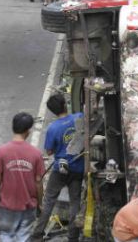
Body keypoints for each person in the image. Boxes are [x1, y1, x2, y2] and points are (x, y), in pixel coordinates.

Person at [31, 94, 85, 242]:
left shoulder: (53, 128)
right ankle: (73, 236)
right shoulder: (79, 117)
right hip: (78, 167)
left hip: (60, 168)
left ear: (53, 111)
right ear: (65, 105)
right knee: (75, 201)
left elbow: (49, 151)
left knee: (48, 201)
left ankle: (37, 235)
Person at [0, 112, 45, 242]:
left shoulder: (1, 151)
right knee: (24, 236)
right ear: (27, 131)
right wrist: (40, 203)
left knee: (5, 234)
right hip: (28, 204)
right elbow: (38, 182)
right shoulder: (36, 154)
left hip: (7, 205)